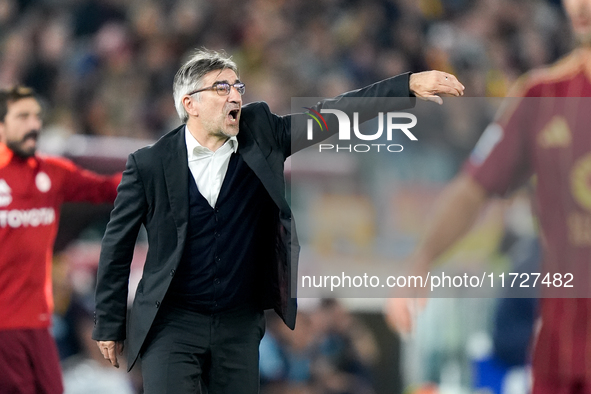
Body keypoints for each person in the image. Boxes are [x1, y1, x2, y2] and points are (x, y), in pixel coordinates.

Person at [92, 47, 464, 393]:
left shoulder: (264, 133)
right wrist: (108, 324)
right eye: (222, 87)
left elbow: (333, 114)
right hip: (172, 322)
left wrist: (406, 86)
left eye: (237, 85)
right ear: (190, 103)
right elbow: (117, 245)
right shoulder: (149, 164)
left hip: (238, 324)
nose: (236, 95)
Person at [386, 0, 591, 392]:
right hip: (562, 349)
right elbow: (472, 189)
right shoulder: (541, 96)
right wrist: (421, 260)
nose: (579, 6)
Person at [0, 86, 121, 394]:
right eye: (23, 117)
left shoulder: (53, 173)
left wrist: (156, 170)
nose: (33, 125)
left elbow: (107, 189)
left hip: (38, 323)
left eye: (36, 117)